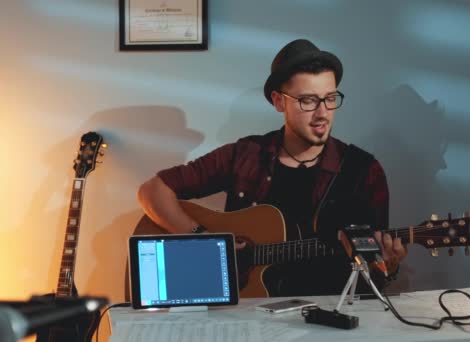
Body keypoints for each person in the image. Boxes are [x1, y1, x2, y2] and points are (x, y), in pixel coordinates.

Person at [137, 39, 407, 296]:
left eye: (330, 98)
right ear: (279, 102)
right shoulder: (245, 155)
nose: (323, 113)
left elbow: (373, 271)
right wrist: (207, 243)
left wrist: (387, 266)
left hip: (331, 317)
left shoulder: (364, 171)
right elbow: (152, 191)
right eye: (308, 101)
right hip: (249, 313)